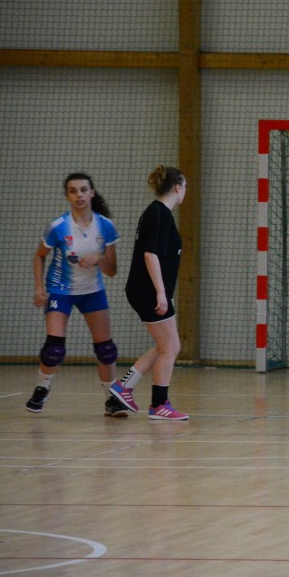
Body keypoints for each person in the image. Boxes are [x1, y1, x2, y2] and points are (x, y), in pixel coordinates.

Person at [26, 173, 123, 416]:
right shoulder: (58, 227)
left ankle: (111, 399)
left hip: (92, 291)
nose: (79, 195)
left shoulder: (106, 226)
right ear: (67, 196)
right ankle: (42, 389)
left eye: (83, 190)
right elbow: (40, 255)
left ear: (92, 193)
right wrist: (39, 288)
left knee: (106, 349)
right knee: (54, 349)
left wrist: (98, 258)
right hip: (60, 290)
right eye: (73, 191)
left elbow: (112, 271)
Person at [108, 166, 189, 421]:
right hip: (148, 291)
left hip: (147, 290)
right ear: (177, 187)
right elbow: (150, 254)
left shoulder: (157, 213)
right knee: (171, 346)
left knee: (166, 345)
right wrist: (161, 292)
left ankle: (123, 388)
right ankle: (159, 404)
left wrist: (166, 293)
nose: (185, 191)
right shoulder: (160, 214)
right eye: (185, 186)